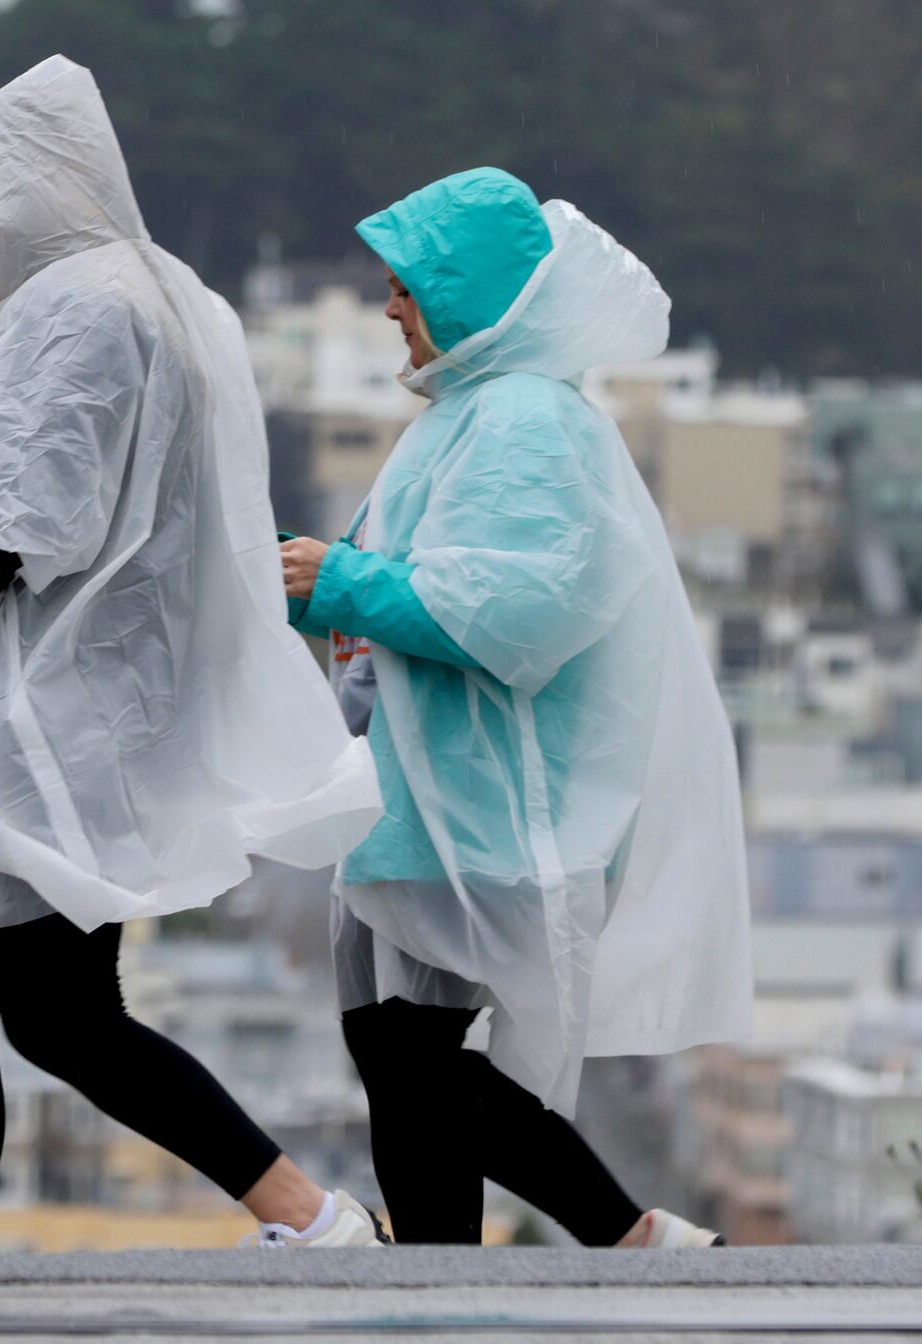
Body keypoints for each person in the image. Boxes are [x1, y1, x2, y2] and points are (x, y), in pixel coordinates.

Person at [0, 55, 388, 1251]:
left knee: (59, 1015)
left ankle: (310, 1217)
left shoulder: (86, 311)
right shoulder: (138, 294)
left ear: (18, 202)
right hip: (75, 710)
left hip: (57, 724)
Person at [278, 167, 752, 1248]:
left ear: (464, 290)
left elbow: (521, 607)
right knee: (403, 1056)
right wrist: (328, 583)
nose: (390, 308)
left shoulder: (527, 422)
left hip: (478, 792)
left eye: (405, 285)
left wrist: (340, 583)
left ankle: (471, 1283)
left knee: (411, 1059)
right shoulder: (477, 414)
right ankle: (615, 1246)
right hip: (431, 785)